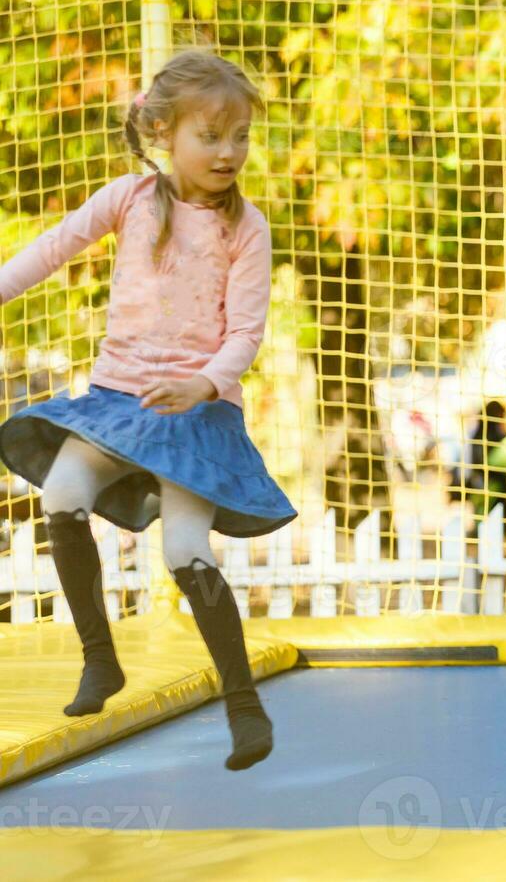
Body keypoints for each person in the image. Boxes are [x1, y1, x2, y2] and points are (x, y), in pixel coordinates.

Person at [0, 50, 296, 771]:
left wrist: (207, 383)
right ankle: (100, 660)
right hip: (115, 400)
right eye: (212, 136)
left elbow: (246, 331)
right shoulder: (129, 200)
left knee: (183, 552)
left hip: (193, 416)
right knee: (63, 498)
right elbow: (51, 248)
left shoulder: (245, 228)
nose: (229, 152)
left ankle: (243, 703)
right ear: (165, 132)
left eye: (241, 138)